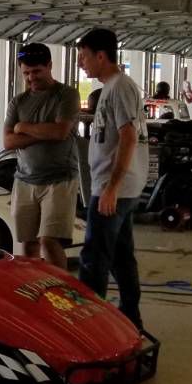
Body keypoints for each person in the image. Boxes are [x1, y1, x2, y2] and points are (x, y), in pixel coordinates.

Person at [75, 28, 145, 330]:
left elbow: (128, 137)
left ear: (101, 56)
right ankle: (130, 318)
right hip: (117, 188)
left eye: (84, 57)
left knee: (94, 258)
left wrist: (111, 188)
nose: (81, 63)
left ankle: (90, 325)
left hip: (113, 189)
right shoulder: (112, 88)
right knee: (120, 257)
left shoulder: (120, 87)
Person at [2, 42, 81, 267]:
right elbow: (8, 142)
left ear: (49, 66)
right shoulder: (18, 101)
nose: (31, 78)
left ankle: (61, 290)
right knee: (28, 243)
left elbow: (60, 132)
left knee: (49, 240)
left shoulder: (66, 95)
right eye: (26, 73)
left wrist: (23, 127)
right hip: (25, 180)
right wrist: (44, 132)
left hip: (59, 180)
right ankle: (37, 288)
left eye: (36, 71)